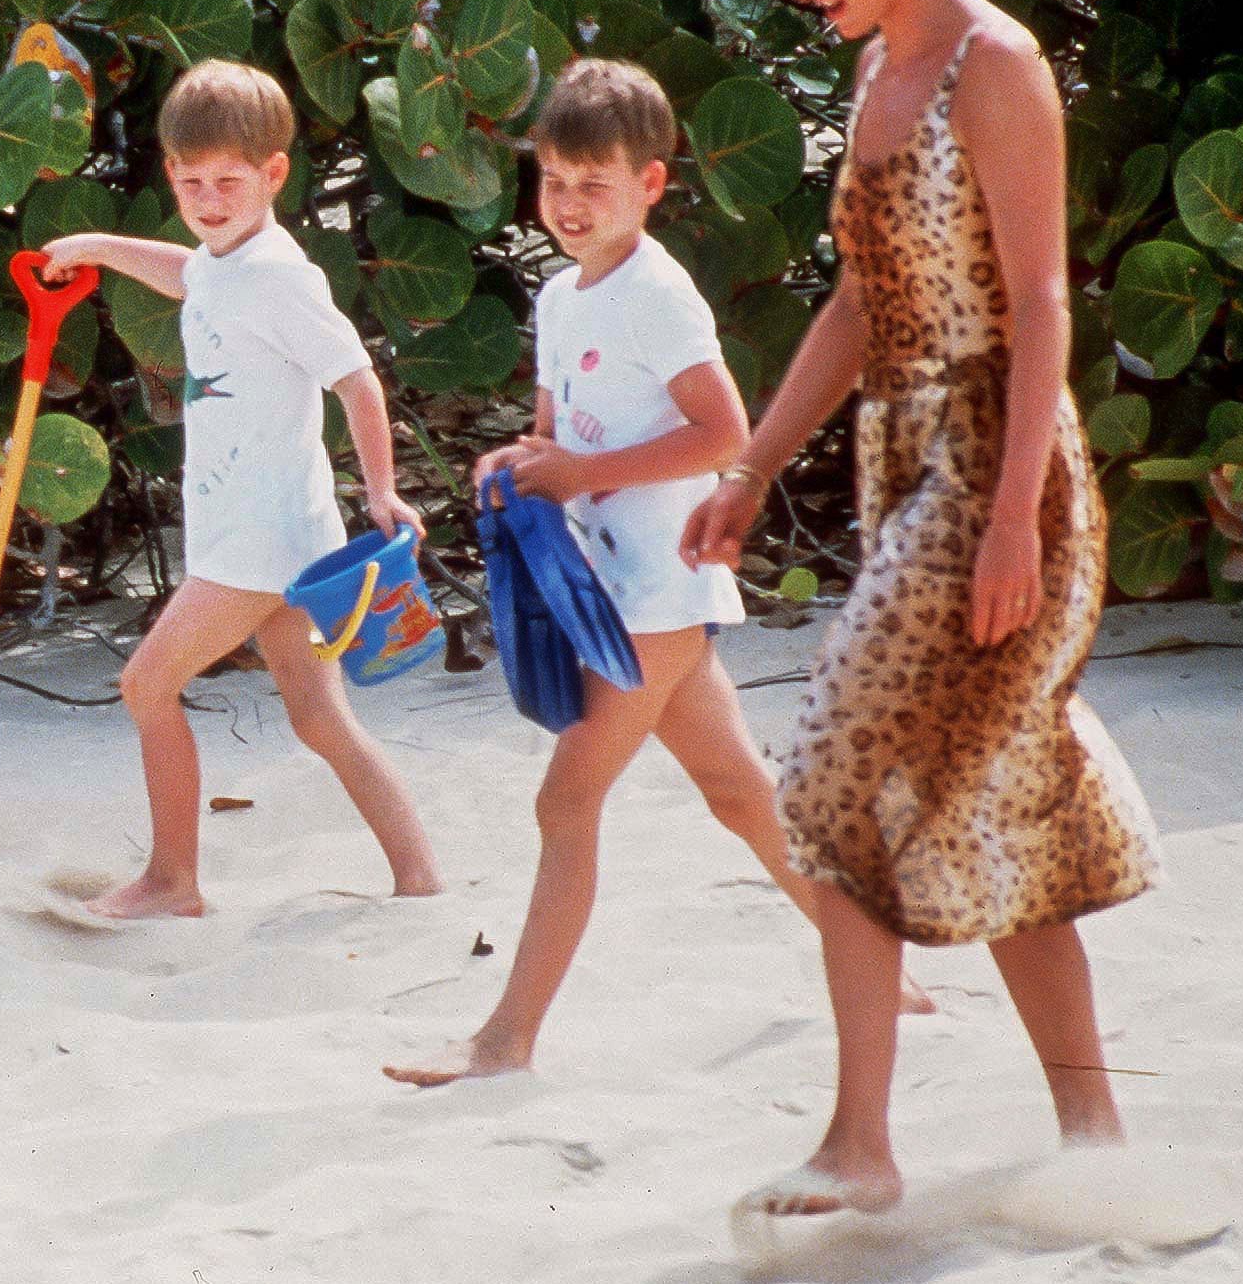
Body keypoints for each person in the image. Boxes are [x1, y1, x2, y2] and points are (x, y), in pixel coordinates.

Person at [682, 0, 1161, 1218]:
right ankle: (1096, 1136)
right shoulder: (884, 59)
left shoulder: (995, 63)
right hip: (906, 462)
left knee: (826, 782)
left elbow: (1039, 302)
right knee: (1004, 794)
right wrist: (755, 464)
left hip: (997, 463)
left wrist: (1015, 517)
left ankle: (860, 1143)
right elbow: (858, 296)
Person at [384, 59, 925, 1090]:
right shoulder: (554, 291)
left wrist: (582, 470)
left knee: (563, 802)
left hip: (660, 587)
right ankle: (878, 968)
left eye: (596, 183)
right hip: (608, 585)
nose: (570, 204)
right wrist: (517, 461)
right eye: (553, 181)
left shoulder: (658, 293)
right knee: (737, 793)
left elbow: (724, 430)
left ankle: (505, 1038)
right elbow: (555, 432)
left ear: (650, 184)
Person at [42, 59, 442, 919]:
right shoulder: (230, 258)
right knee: (317, 717)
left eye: (229, 181)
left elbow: (357, 379)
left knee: (146, 686)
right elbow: (191, 273)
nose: (209, 200)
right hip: (271, 530)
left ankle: (173, 879)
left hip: (260, 539)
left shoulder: (283, 277)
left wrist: (381, 490)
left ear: (274, 174)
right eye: (190, 182)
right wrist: (100, 249)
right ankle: (420, 875)